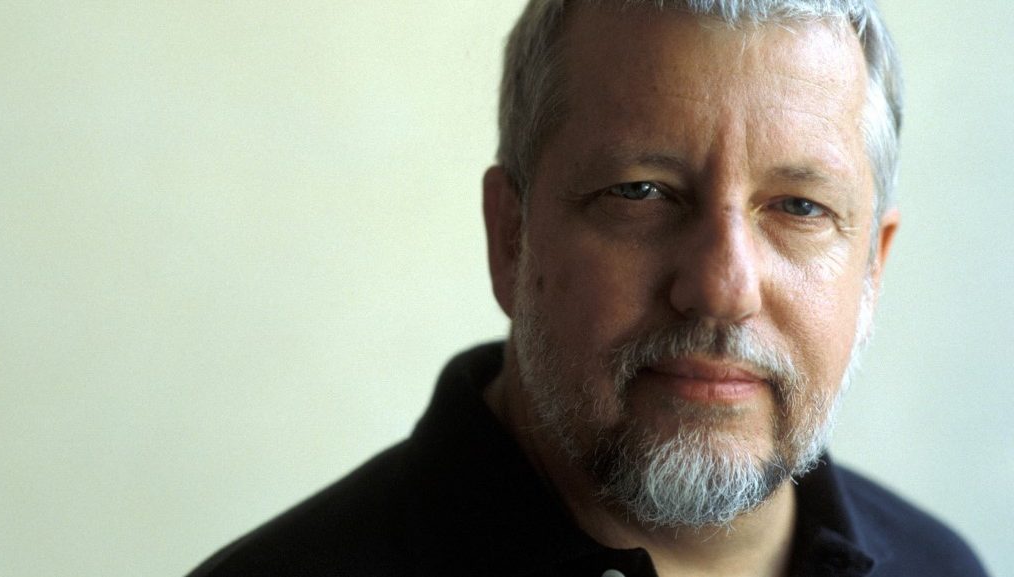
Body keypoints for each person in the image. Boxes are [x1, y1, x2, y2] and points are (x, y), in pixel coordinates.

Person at [187, 1, 991, 576]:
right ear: (511, 235)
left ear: (873, 268)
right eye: (641, 192)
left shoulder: (944, 565)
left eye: (800, 207)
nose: (722, 287)